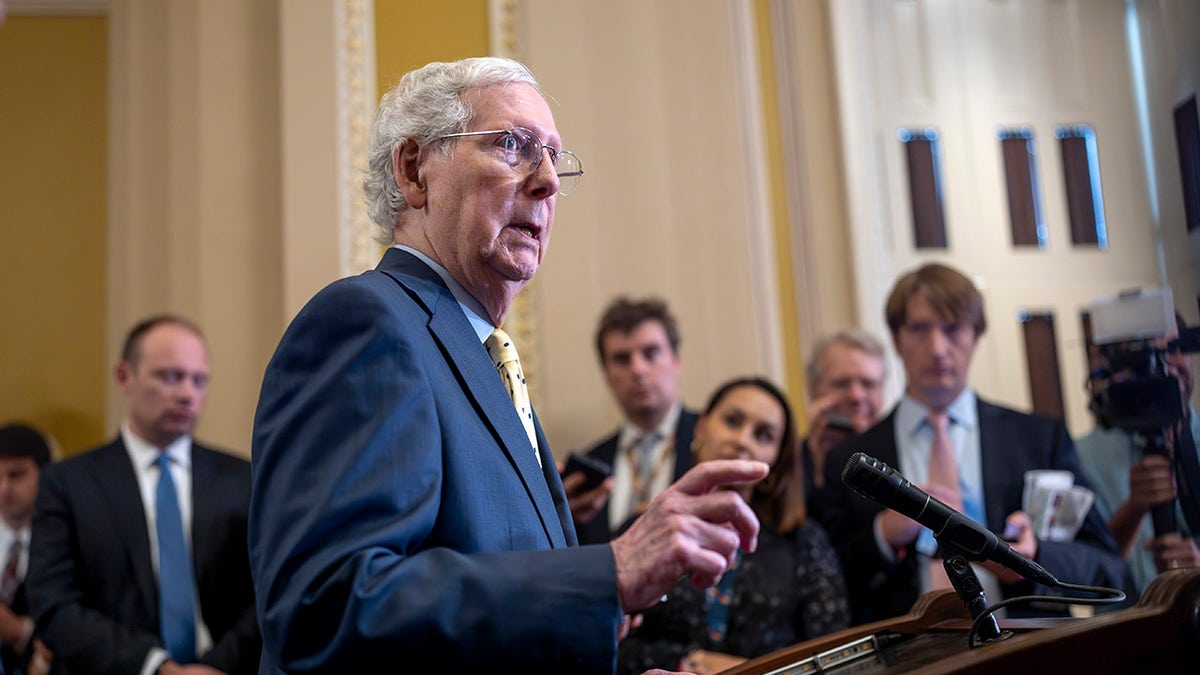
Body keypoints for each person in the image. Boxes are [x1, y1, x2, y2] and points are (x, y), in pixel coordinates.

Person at [248, 57, 766, 673]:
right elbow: (324, 610)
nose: (547, 181)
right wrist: (612, 570)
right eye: (513, 146)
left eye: (553, 157)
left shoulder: (484, 360)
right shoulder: (365, 324)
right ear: (414, 171)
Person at [810, 263, 1127, 625]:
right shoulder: (849, 459)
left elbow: (1108, 568)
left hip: (1027, 648)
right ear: (896, 338)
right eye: (918, 328)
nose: (938, 348)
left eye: (953, 328)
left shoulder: (1039, 438)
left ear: (976, 335)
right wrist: (882, 536)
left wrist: (1033, 556)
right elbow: (821, 586)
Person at [27, 316, 260, 675]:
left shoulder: (242, 478)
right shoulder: (68, 483)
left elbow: (265, 592)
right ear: (124, 376)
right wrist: (157, 666)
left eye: (199, 381)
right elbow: (54, 605)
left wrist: (214, 667)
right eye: (170, 377)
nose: (187, 393)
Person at [617, 377, 850, 675]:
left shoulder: (804, 541)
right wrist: (691, 662)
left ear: (777, 458)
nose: (743, 441)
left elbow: (835, 653)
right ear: (701, 427)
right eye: (732, 421)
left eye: (763, 435)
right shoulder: (648, 528)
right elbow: (609, 643)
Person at [1076, 313, 1200, 595]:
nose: (1164, 366)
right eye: (1147, 356)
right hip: (1128, 630)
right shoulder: (1083, 456)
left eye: (1173, 349)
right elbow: (1085, 580)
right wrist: (1133, 509)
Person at [569, 297, 698, 545]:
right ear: (606, 374)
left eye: (651, 353)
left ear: (676, 360)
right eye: (621, 359)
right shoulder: (591, 466)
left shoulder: (715, 440)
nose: (638, 369)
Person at [801, 331, 887, 494]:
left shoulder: (901, 454)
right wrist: (816, 464)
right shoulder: (786, 462)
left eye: (868, 384)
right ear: (813, 390)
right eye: (841, 384)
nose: (856, 396)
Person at [0, 424, 53, 675]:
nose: (4, 489)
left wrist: (20, 632)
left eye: (16, 475)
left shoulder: (67, 541)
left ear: (45, 474)